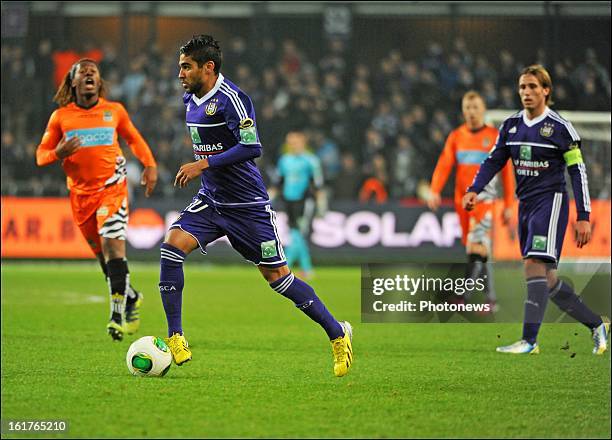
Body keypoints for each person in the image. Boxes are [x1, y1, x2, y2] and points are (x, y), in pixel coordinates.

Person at [159, 35, 353, 377]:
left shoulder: (233, 99)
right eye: (179, 66)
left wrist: (202, 165)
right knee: (172, 247)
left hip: (247, 206)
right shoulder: (190, 97)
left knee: (278, 278)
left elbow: (252, 148)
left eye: (186, 67)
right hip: (212, 200)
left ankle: (337, 333)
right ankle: (175, 335)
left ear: (208, 67)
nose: (180, 74)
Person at [463, 65, 609, 354]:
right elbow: (493, 161)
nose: (526, 92)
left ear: (546, 91)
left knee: (533, 266)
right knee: (548, 280)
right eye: (522, 87)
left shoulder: (560, 128)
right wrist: (474, 189)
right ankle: (596, 325)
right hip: (526, 205)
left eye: (532, 87)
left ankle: (530, 341)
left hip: (551, 202)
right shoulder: (510, 126)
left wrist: (583, 216)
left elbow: (577, 172)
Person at [36, 58, 158, 341]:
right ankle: (132, 297)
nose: (89, 73)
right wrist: (59, 153)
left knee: (113, 248)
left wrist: (150, 165)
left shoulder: (114, 111)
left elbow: (135, 140)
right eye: (83, 71)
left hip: (113, 189)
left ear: (99, 82)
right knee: (105, 260)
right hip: (80, 197)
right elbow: (40, 155)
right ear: (74, 82)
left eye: (94, 71)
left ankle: (116, 316)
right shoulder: (61, 117)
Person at [428, 91, 515, 311]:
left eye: (475, 107)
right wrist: (435, 190)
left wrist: (508, 204)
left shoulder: (495, 137)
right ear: (463, 110)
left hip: (485, 200)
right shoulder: (456, 136)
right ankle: (491, 300)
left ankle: (462, 297)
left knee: (477, 247)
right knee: (478, 251)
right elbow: (444, 164)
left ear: (483, 110)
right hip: (461, 203)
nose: (471, 112)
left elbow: (506, 173)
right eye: (467, 107)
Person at [271, 131, 326, 279]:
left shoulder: (311, 160)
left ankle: (286, 266)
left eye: (295, 142)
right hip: (288, 200)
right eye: (290, 142)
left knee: (298, 233)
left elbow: (318, 184)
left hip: (304, 201)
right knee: (296, 233)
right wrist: (269, 198)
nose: (292, 145)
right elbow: (278, 182)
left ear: (303, 142)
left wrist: (321, 205)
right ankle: (306, 268)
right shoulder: (284, 160)